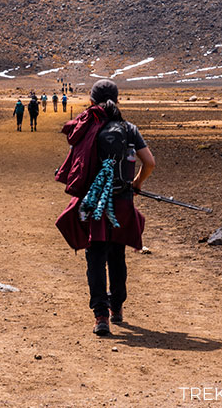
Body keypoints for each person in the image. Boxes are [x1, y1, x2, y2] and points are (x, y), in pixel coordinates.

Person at [53, 79, 156, 337]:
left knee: (96, 256)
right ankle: (117, 306)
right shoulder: (129, 129)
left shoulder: (87, 128)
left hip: (94, 203)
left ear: (91, 101)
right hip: (122, 201)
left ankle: (101, 316)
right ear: (118, 100)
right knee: (117, 254)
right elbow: (150, 162)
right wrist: (136, 184)